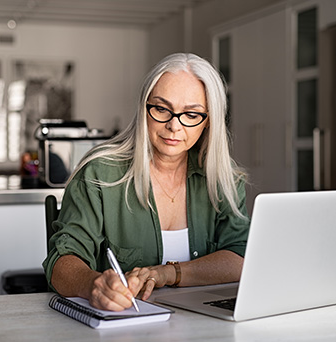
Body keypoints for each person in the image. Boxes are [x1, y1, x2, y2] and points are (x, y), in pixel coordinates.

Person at [43, 52, 250, 312]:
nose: (174, 126)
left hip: (206, 323)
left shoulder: (224, 178)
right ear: (144, 109)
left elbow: (240, 257)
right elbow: (61, 262)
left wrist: (167, 273)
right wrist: (92, 284)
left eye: (191, 114)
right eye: (162, 109)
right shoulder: (98, 173)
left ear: (208, 122)